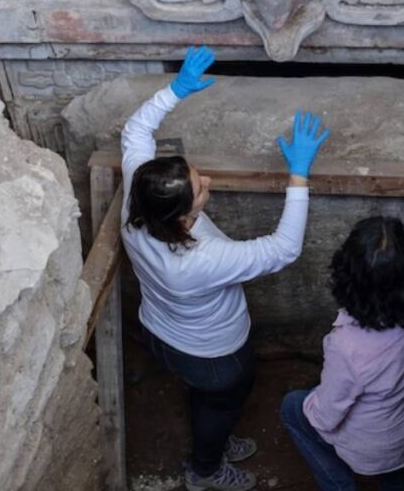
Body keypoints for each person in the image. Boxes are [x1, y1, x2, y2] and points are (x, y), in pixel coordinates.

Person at [121, 46, 330, 491]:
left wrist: (175, 91)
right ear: (183, 216)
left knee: (209, 398)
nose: (208, 183)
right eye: (200, 188)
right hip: (213, 353)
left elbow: (137, 129)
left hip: (159, 330)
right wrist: (298, 176)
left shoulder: (137, 198)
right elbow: (283, 249)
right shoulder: (199, 260)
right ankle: (206, 469)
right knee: (224, 396)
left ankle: (213, 433)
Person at [281, 216, 404, 491]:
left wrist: (315, 398)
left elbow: (324, 418)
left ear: (348, 275)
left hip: (371, 449)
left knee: (292, 406)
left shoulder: (346, 346)